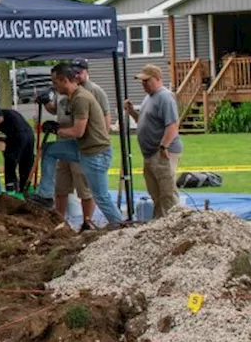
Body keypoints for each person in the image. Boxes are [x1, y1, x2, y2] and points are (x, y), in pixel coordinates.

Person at [48, 63, 123, 230]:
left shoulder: (81, 98)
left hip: (95, 152)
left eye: (55, 82)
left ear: (65, 80)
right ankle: (45, 194)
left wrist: (57, 130)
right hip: (83, 149)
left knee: (101, 196)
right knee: (48, 150)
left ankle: (121, 228)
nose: (54, 86)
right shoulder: (73, 97)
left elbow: (78, 131)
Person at [32, 58, 114, 210]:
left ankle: (87, 221)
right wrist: (45, 103)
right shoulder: (65, 92)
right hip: (66, 141)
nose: (77, 74)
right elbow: (56, 110)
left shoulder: (92, 92)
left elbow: (102, 118)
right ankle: (57, 216)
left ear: (86, 72)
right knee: (61, 186)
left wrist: (102, 138)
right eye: (74, 70)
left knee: (88, 191)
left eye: (80, 71)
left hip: (87, 146)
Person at [124, 64, 183, 219]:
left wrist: (164, 145)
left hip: (162, 152)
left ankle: (173, 223)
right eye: (142, 81)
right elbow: (143, 121)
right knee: (155, 193)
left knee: (167, 192)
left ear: (157, 79)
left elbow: (172, 124)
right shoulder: (148, 98)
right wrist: (131, 112)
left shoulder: (164, 96)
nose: (143, 84)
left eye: (146, 81)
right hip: (150, 153)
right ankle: (160, 222)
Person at [0, 106, 35, 194]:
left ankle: (11, 188)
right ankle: (25, 188)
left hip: (17, 134)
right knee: (26, 163)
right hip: (30, 134)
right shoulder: (8, 112)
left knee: (10, 161)